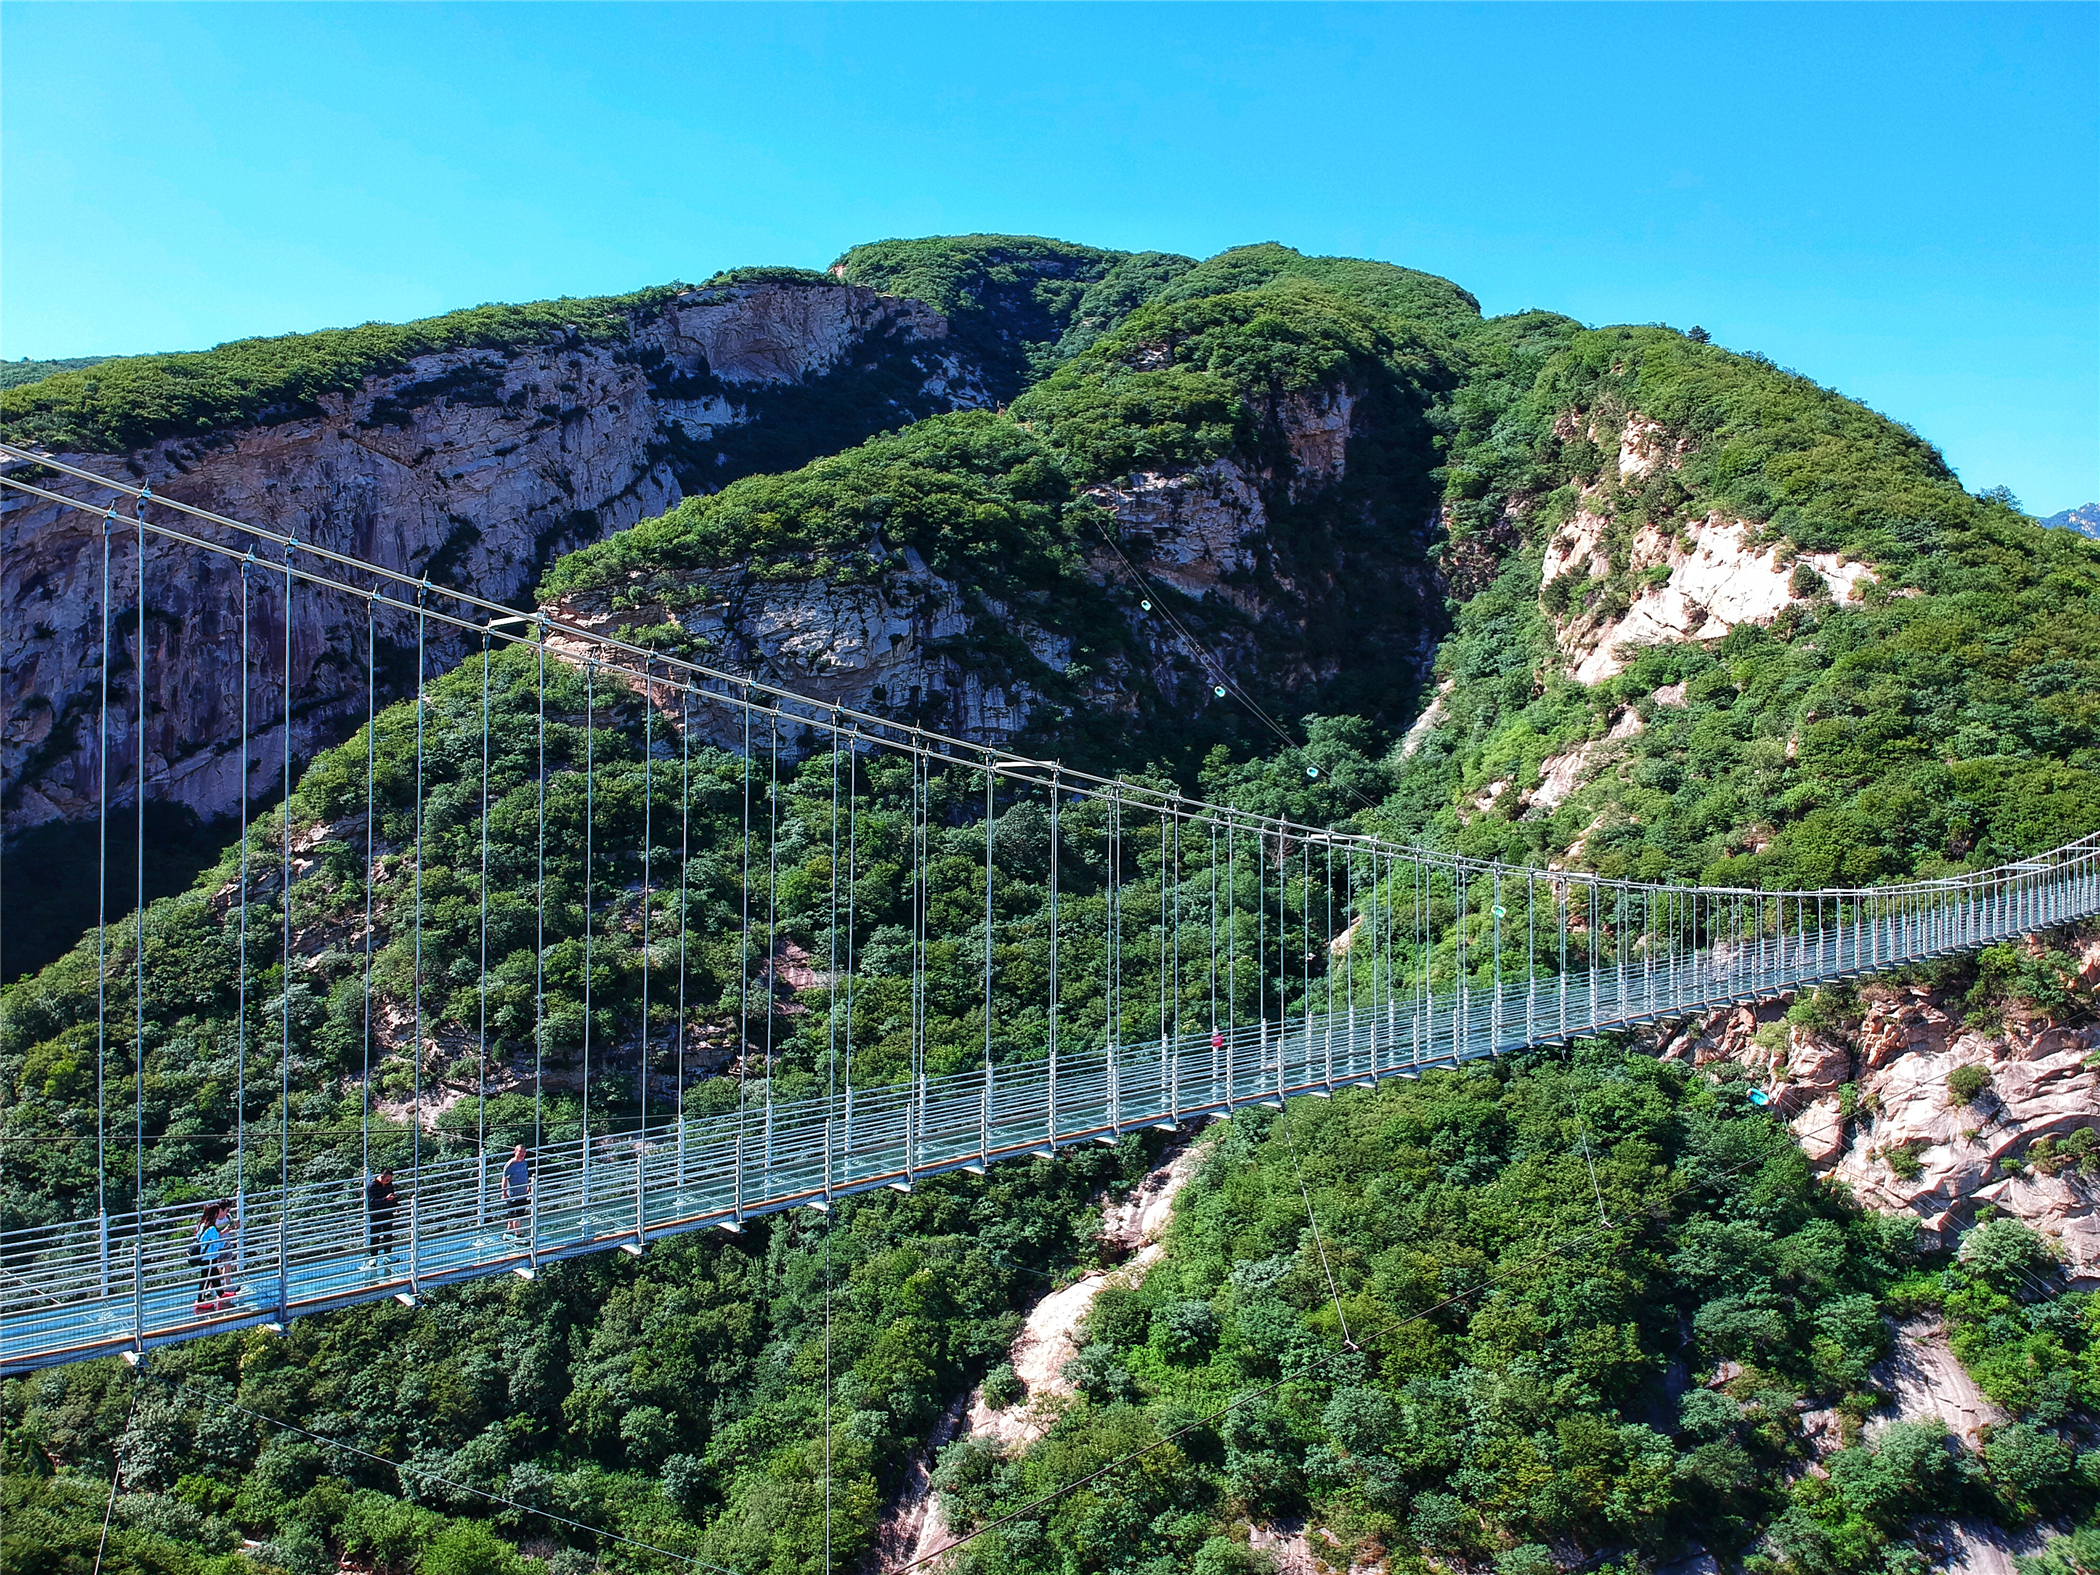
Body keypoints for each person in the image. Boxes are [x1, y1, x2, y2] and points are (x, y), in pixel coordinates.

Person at [191, 1202, 226, 1311]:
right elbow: (218, 1243)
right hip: (209, 1256)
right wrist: (225, 1243)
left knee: (214, 1275)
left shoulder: (202, 1225)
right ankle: (200, 1301)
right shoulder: (212, 1229)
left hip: (205, 1256)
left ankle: (221, 1293)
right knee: (206, 1278)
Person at [366, 1168, 400, 1263]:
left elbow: (392, 1195)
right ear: (382, 1177)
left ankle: (388, 1255)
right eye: (387, 1179)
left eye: (390, 1180)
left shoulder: (389, 1184)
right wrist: (386, 1199)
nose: (388, 1181)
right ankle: (373, 1257)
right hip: (376, 1214)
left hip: (387, 1212)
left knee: (388, 1234)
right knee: (375, 1235)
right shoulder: (373, 1186)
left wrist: (395, 1204)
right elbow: (372, 1202)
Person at [502, 1145, 532, 1236]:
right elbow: (504, 1179)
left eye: (524, 1151)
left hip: (522, 1193)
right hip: (513, 1195)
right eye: (520, 1151)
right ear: (515, 1152)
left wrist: (529, 1187)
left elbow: (525, 1175)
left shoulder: (524, 1162)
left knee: (513, 1216)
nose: (522, 1154)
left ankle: (508, 1232)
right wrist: (504, 1192)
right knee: (516, 1216)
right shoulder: (510, 1164)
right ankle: (518, 1235)